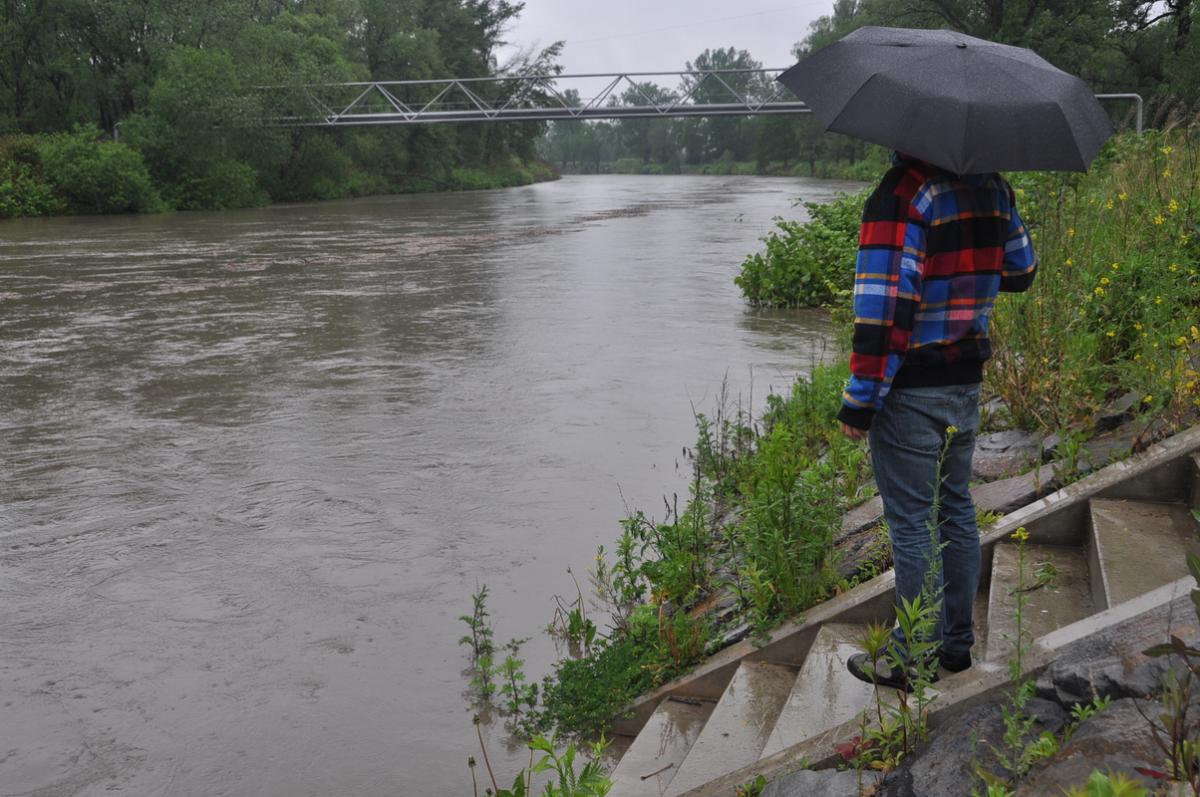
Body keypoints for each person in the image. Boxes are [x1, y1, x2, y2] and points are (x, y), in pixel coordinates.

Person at [840, 152, 1037, 691]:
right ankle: (954, 645)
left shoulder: (904, 192)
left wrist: (860, 399)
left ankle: (912, 656)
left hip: (910, 389)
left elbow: (884, 307)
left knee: (911, 523)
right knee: (954, 508)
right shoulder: (994, 183)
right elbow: (1022, 270)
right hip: (965, 382)